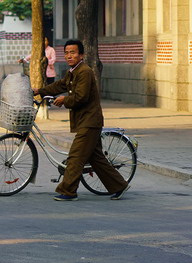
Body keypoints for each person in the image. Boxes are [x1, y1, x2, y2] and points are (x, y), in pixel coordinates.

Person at [33, 39, 129, 201]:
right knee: (96, 158)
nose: (69, 56)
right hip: (85, 121)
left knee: (75, 156)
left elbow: (81, 97)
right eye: (66, 53)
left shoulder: (85, 72)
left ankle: (68, 191)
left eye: (73, 52)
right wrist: (40, 91)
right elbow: (60, 85)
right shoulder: (73, 71)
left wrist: (64, 100)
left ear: (81, 55)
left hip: (90, 122)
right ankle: (119, 185)